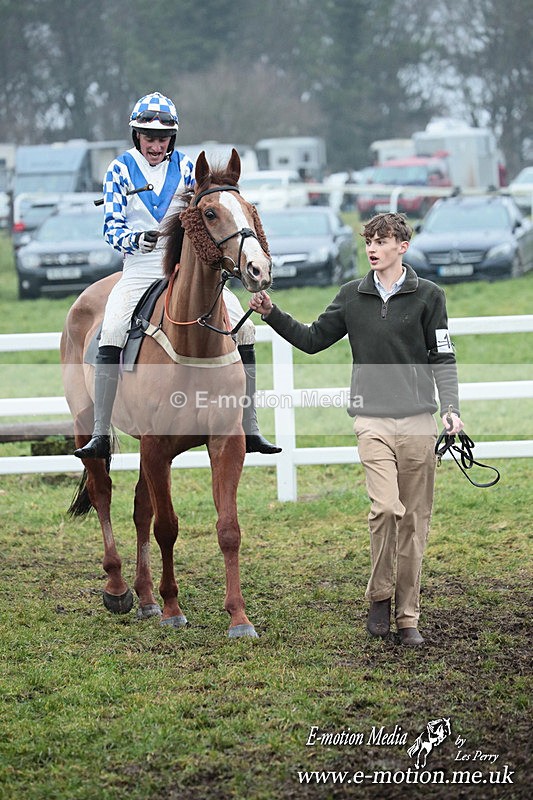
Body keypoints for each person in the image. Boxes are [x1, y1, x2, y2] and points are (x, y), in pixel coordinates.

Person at [249, 212, 464, 646]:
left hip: (420, 421)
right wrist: (272, 313)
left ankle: (408, 618)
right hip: (372, 421)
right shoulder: (352, 295)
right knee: (386, 509)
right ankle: (380, 597)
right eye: (369, 241)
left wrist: (451, 409)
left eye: (382, 241)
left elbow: (442, 355)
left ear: (401, 247)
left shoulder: (429, 296)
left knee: (415, 523)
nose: (372, 248)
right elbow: (312, 340)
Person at [74, 91, 280, 461]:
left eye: (163, 137)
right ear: (137, 136)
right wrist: (137, 238)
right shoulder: (119, 169)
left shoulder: (187, 168)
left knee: (245, 328)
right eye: (149, 137)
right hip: (139, 267)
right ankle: (101, 432)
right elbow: (110, 227)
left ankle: (249, 424)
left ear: (173, 137)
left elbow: (203, 215)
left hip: (184, 267)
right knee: (114, 328)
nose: (156, 144)